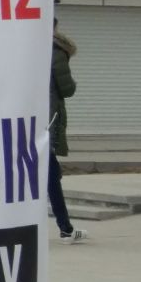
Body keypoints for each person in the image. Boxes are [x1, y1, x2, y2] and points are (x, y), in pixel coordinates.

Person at [49, 22, 86, 244]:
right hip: (47, 121)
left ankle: (66, 228)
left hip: (24, 121)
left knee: (48, 175)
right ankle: (66, 229)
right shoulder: (56, 52)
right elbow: (67, 89)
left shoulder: (23, 50)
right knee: (51, 177)